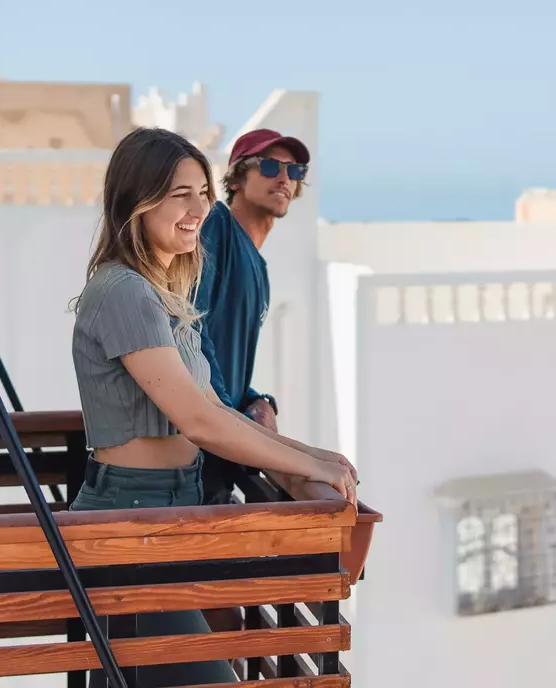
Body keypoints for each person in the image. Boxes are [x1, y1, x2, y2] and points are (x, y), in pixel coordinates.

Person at [69, 126, 356, 687]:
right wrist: (310, 469)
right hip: (129, 519)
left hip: (174, 510)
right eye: (181, 194)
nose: (200, 207)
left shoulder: (165, 294)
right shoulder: (124, 291)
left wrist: (304, 452)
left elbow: (215, 405)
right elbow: (199, 421)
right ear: (137, 199)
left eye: (202, 192)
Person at [192, 128, 317, 505]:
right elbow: (190, 328)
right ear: (238, 176)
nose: (283, 178)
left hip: (221, 450)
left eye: (294, 172)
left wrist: (258, 400)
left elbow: (227, 355)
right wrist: (228, 419)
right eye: (269, 166)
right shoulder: (217, 225)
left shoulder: (259, 268)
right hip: (195, 452)